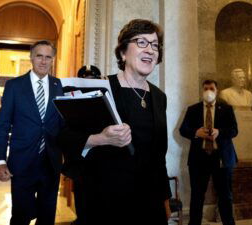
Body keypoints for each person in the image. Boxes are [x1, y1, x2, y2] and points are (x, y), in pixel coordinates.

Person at [59, 19, 171, 225]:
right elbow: (65, 137)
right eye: (141, 42)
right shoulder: (98, 88)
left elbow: (158, 155)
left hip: (149, 202)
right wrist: (100, 139)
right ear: (122, 53)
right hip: (105, 201)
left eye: (155, 45)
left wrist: (165, 198)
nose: (150, 50)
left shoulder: (159, 96)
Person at [0, 40, 64, 225]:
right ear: (31, 57)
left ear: (52, 60)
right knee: (20, 217)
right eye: (39, 56)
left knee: (47, 217)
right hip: (22, 162)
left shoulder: (59, 86)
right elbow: (3, 125)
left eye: (48, 57)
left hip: (50, 163)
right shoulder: (14, 86)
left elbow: (63, 125)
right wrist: (0, 160)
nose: (43, 61)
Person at [179, 80, 238, 225]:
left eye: (211, 88)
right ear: (202, 91)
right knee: (197, 196)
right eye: (205, 88)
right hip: (199, 159)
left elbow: (234, 130)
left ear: (217, 90)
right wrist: (196, 132)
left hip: (221, 158)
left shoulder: (226, 108)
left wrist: (220, 132)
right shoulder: (193, 109)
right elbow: (183, 130)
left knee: (225, 196)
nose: (208, 91)